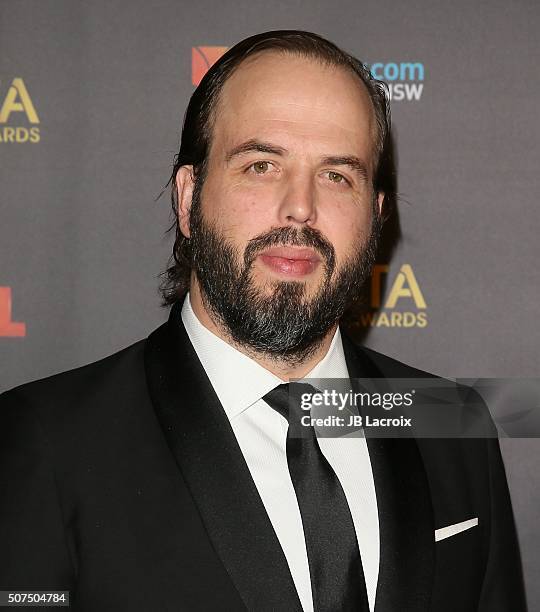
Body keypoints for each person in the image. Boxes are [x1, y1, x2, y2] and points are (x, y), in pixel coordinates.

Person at [0, 30, 526, 612]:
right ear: (188, 197)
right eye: (261, 165)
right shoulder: (43, 440)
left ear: (376, 216)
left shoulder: (450, 423)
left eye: (337, 175)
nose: (300, 206)